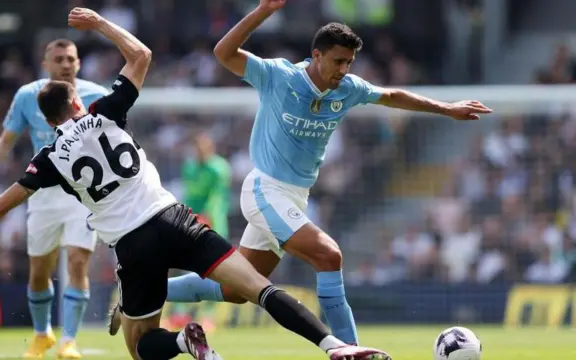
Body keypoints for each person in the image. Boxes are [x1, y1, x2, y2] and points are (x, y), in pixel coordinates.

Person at [0, 7, 389, 360]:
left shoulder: (48, 158)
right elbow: (142, 55)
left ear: (46, 118)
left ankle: (181, 343)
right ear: (76, 100)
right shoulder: (104, 111)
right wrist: (99, 24)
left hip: (133, 246)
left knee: (140, 347)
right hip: (176, 219)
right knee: (259, 289)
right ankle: (336, 347)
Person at [161, 0, 492, 348]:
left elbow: (392, 95)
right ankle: (350, 351)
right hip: (264, 189)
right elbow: (223, 52)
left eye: (349, 63)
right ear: (316, 55)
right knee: (329, 255)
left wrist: (447, 108)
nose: (343, 70)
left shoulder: (347, 88)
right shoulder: (279, 76)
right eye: (338, 61)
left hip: (294, 196)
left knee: (235, 289)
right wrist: (263, 11)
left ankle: (146, 287)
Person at [0, 37, 109, 358]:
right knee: (39, 272)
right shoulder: (27, 96)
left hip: (81, 194)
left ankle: (69, 341)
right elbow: (6, 140)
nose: (65, 64)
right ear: (45, 63)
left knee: (78, 262)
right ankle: (42, 334)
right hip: (42, 192)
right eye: (58, 58)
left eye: (70, 59)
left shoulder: (97, 96)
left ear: (78, 63)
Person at [166, 132, 232, 331]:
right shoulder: (190, 166)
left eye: (202, 147)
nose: (199, 151)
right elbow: (189, 194)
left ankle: (208, 316)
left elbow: (218, 197)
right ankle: (179, 313)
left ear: (209, 147)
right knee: (183, 266)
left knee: (214, 271)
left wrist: (208, 217)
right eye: (196, 148)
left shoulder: (219, 168)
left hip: (213, 224)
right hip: (192, 222)